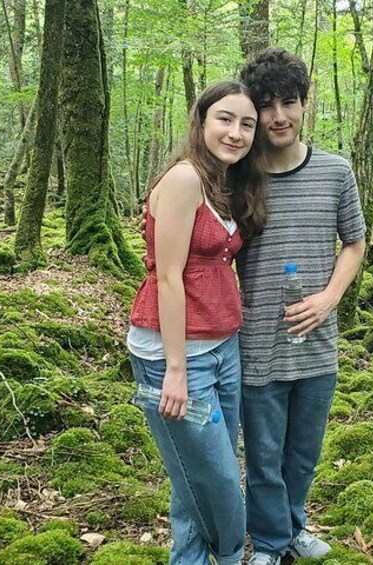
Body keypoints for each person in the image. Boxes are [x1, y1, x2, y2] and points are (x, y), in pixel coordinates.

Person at [128, 80, 266, 565]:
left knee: (197, 473)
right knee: (220, 479)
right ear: (202, 121)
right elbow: (168, 277)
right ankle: (230, 556)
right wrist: (176, 369)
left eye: (246, 124)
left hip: (224, 346)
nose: (235, 132)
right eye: (225, 119)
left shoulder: (224, 184)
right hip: (175, 354)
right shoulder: (185, 179)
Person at [237, 48, 366, 565]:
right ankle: (270, 544)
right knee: (264, 457)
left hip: (317, 345)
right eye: (266, 105)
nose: (278, 116)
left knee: (304, 454)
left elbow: (355, 243)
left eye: (288, 102)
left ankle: (292, 527)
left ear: (304, 104)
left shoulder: (336, 172)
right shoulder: (237, 177)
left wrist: (329, 297)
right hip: (256, 344)